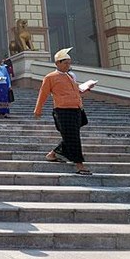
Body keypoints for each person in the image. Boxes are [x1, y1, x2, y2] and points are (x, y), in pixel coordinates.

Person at [33, 47, 94, 175]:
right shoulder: (50, 77)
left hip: (76, 110)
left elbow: (77, 90)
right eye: (65, 63)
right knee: (73, 138)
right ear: (57, 63)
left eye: (69, 63)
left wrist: (86, 88)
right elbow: (43, 94)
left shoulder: (69, 76)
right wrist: (38, 109)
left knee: (70, 136)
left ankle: (53, 154)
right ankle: (79, 165)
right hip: (63, 111)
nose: (68, 65)